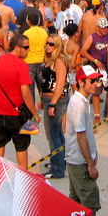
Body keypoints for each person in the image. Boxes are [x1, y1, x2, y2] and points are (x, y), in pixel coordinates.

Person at [0, 34, 41, 167]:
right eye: (26, 47)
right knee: (21, 146)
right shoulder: (21, 65)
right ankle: (23, 173)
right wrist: (35, 114)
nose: (29, 50)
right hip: (16, 114)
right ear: (17, 48)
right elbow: (26, 94)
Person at [65, 64, 102, 216]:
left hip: (77, 160)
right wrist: (90, 164)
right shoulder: (79, 105)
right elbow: (81, 137)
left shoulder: (80, 101)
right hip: (79, 162)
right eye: (92, 81)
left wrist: (93, 153)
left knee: (75, 201)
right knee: (90, 203)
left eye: (96, 80)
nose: (95, 84)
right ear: (81, 82)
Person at [40, 35, 70, 179]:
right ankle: (59, 162)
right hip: (48, 98)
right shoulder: (51, 59)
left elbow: (60, 84)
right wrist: (41, 98)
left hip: (56, 100)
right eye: (47, 43)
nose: (48, 46)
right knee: (56, 133)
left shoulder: (59, 61)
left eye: (51, 44)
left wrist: (52, 103)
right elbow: (46, 81)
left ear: (57, 46)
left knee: (52, 134)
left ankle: (57, 169)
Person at [80, 17, 108, 125]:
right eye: (103, 28)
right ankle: (97, 115)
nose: (105, 30)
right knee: (96, 92)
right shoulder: (92, 37)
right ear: (98, 27)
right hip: (97, 67)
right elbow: (83, 51)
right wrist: (95, 60)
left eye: (106, 27)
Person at [24, 13, 48, 100]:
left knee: (30, 89)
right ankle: (42, 103)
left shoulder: (26, 33)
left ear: (29, 22)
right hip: (41, 61)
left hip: (29, 61)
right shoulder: (44, 32)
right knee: (42, 87)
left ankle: (31, 106)